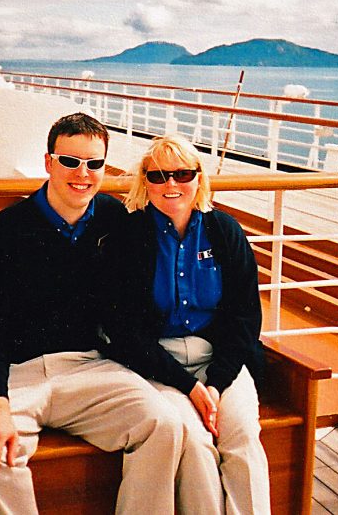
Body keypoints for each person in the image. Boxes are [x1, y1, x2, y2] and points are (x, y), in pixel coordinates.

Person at [0, 113, 184, 514]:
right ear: (48, 162)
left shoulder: (115, 222)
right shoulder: (5, 232)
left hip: (86, 368)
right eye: (71, 161)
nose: (83, 174)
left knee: (163, 425)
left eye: (94, 164)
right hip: (13, 376)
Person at [104, 134, 271, 515]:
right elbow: (127, 331)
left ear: (199, 178)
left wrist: (215, 383)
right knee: (194, 444)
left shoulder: (225, 232)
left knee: (243, 437)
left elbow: (245, 318)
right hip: (159, 365)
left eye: (181, 174)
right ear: (145, 181)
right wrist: (190, 387)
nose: (171, 185)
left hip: (220, 360)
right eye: (159, 175)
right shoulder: (130, 237)